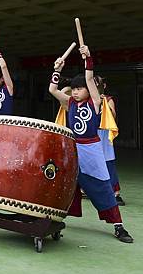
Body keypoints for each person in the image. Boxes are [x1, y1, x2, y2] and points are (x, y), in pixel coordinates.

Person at [48, 45, 133, 243]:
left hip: (92, 150)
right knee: (62, 185)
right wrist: (57, 70)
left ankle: (118, 226)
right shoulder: (69, 103)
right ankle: (52, 220)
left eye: (80, 89)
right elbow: (52, 89)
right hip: (73, 149)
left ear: (89, 90)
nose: (76, 92)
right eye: (74, 89)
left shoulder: (95, 102)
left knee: (103, 186)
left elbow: (89, 78)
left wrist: (88, 59)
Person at [95, 75, 125, 206]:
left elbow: (112, 116)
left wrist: (104, 103)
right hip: (91, 133)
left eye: (97, 83)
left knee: (108, 162)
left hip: (104, 133)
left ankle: (115, 193)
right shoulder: (87, 99)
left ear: (104, 86)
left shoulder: (108, 99)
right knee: (88, 162)